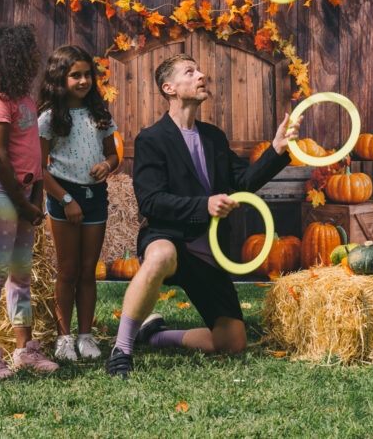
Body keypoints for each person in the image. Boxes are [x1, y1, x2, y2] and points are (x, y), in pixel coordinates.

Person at [106, 53, 298, 379]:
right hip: (169, 239)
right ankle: (122, 349)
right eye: (190, 72)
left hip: (209, 251)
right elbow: (151, 202)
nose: (201, 75)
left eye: (199, 70)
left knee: (233, 341)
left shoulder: (214, 137)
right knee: (161, 254)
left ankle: (152, 335)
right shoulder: (151, 139)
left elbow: (242, 184)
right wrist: (204, 205)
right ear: (169, 88)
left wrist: (277, 150)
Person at [0, 26, 58, 379]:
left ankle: (24, 350)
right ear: (13, 59)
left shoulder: (26, 100)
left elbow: (32, 155)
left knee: (20, 274)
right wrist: (22, 203)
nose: (36, 60)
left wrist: (36, 194)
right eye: (30, 53)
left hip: (24, 196)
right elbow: (0, 157)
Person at [38, 45, 121, 362]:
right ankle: (64, 337)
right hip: (63, 196)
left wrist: (108, 166)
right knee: (68, 270)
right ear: (60, 79)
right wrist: (66, 198)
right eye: (76, 75)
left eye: (88, 75)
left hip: (95, 197)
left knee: (89, 271)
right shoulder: (48, 119)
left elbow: (112, 154)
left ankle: (86, 336)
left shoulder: (100, 115)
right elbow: (39, 168)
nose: (84, 80)